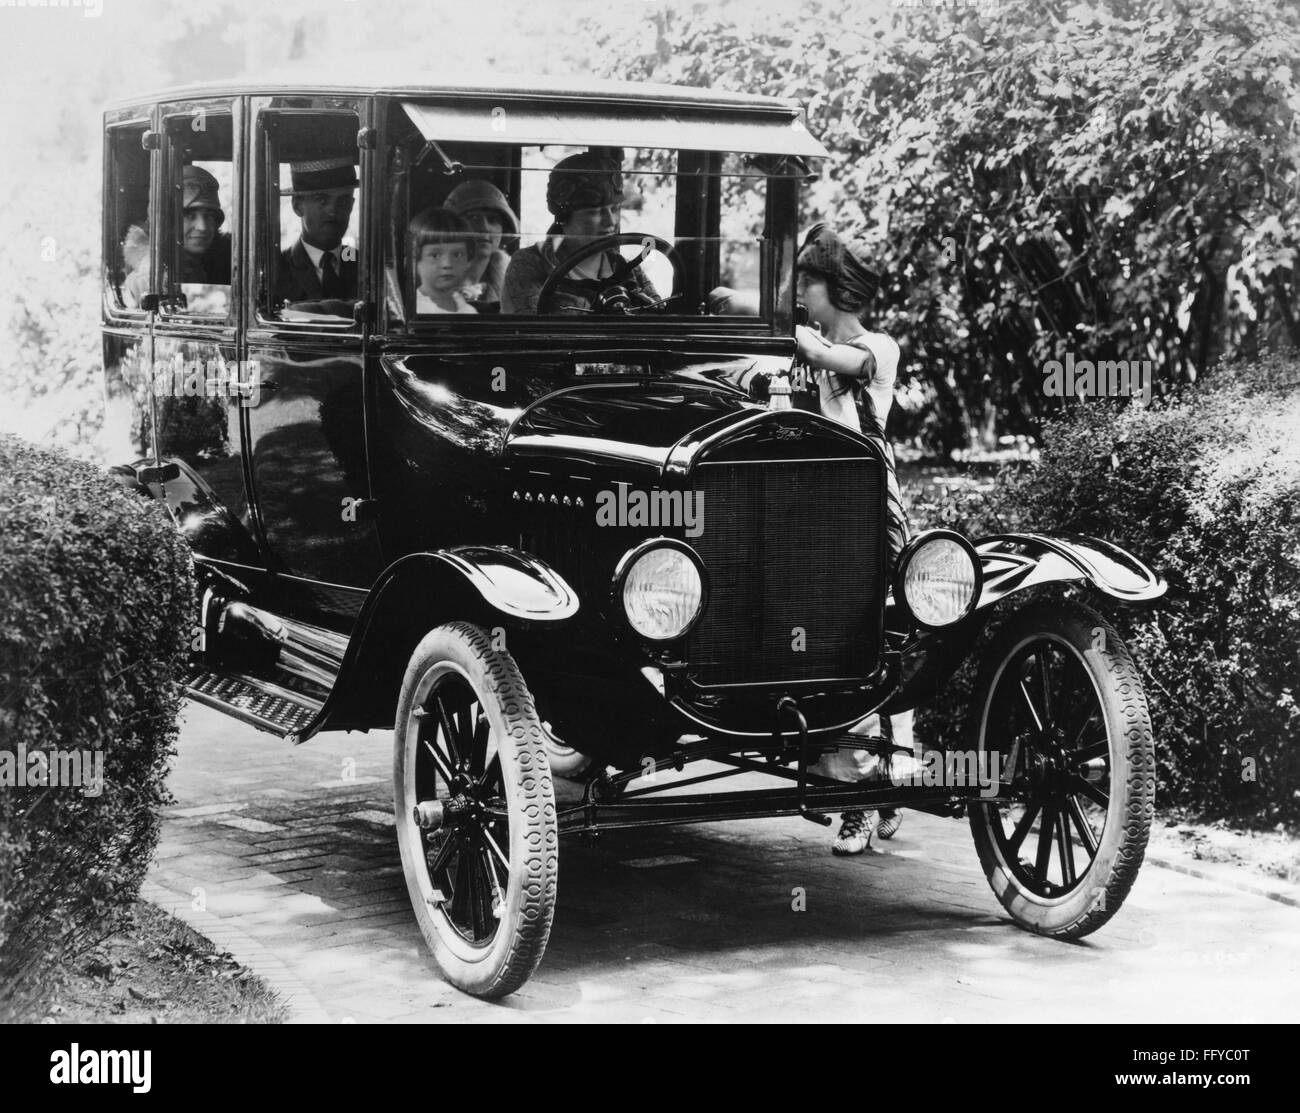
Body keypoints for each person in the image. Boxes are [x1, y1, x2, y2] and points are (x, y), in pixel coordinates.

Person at [793, 222, 911, 855]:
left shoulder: (877, 349)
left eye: (806, 283)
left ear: (832, 288)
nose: (800, 294)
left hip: (870, 510)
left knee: (879, 639)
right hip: (820, 514)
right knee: (834, 648)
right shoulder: (802, 351)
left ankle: (870, 794)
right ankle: (862, 788)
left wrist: (785, 334)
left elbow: (826, 358)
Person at [501, 150, 659, 314]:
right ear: (564, 217)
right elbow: (531, 328)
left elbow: (661, 316)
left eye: (614, 209)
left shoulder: (627, 268)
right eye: (594, 212)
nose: (610, 221)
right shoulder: (530, 264)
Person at [122, 164, 231, 307]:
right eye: (190, 216)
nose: (203, 227)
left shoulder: (229, 265)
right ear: (168, 222)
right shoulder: (146, 281)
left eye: (209, 216)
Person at [275, 157, 359, 310]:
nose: (333, 211)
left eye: (343, 201)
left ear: (352, 206)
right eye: (322, 200)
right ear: (297, 206)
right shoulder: (278, 270)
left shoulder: (364, 265)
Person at [443, 180, 518, 307]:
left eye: (493, 220)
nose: (484, 227)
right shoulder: (432, 280)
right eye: (473, 218)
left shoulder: (513, 283)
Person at [409, 207, 478, 315]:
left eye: (457, 255)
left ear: (468, 261)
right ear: (416, 261)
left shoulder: (470, 312)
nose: (447, 264)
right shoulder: (413, 310)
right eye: (435, 255)